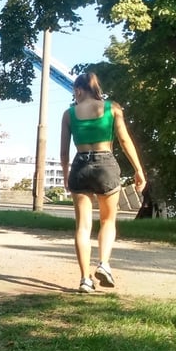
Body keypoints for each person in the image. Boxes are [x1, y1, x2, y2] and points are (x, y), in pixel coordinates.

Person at [60, 72, 146, 293]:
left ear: (79, 90)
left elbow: (63, 152)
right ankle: (104, 265)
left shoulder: (69, 114)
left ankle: (84, 280)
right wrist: (138, 170)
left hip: (80, 165)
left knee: (83, 226)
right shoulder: (112, 108)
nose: (74, 97)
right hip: (105, 164)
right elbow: (124, 140)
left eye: (74, 93)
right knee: (108, 221)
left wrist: (65, 174)